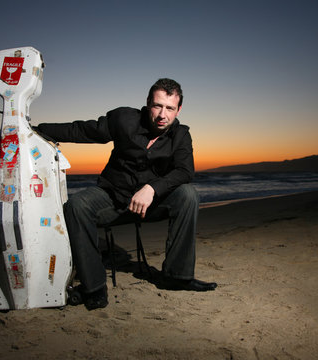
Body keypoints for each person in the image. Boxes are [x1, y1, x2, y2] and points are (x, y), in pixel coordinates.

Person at [36, 78, 217, 310]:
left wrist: (152, 189)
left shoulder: (181, 135)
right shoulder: (124, 119)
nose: (163, 114)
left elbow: (184, 171)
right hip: (114, 200)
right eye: (157, 106)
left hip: (151, 205)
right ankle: (94, 287)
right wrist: (39, 130)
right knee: (77, 205)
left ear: (178, 109)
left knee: (188, 195)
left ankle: (176, 277)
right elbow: (83, 130)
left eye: (170, 108)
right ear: (147, 104)